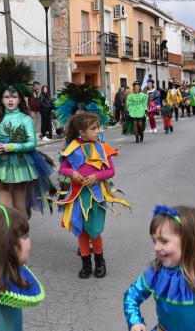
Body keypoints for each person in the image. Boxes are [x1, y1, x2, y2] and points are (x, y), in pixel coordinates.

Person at [123, 205, 195, 331]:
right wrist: (135, 321)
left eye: (164, 241)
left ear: (188, 242)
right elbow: (132, 295)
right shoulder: (157, 272)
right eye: (154, 241)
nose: (156, 247)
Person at [0, 58, 55, 217]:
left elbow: (31, 143)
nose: (10, 100)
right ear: (1, 100)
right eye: (6, 97)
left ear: (20, 99)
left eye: (13, 97)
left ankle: (21, 238)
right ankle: (8, 239)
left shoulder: (25, 119)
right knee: (4, 210)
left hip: (20, 165)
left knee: (20, 209)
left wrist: (10, 146)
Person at [57, 112, 129, 279]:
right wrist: (72, 173)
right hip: (77, 196)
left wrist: (96, 176)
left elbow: (111, 171)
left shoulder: (102, 147)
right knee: (81, 230)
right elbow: (63, 167)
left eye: (98, 127)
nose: (98, 131)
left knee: (94, 231)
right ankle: (86, 264)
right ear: (82, 132)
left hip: (96, 196)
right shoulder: (73, 146)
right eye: (93, 128)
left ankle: (100, 261)